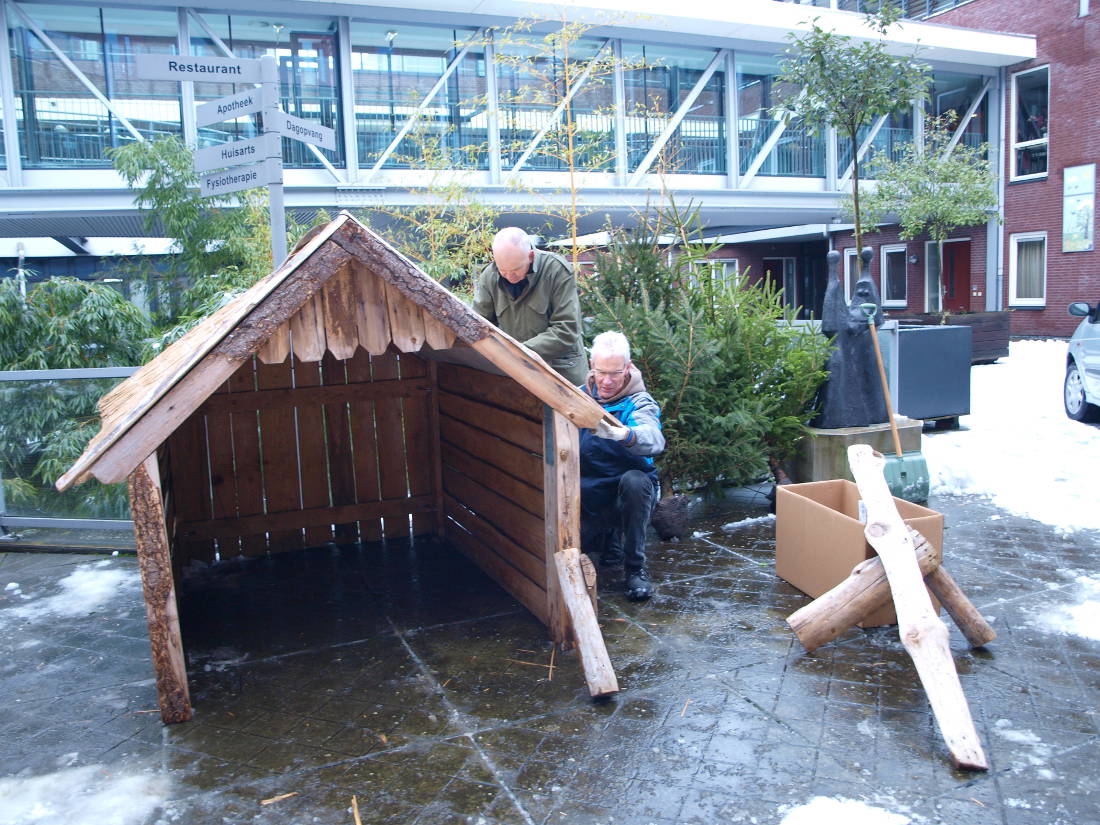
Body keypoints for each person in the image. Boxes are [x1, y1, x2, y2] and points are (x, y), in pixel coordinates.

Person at [579, 331, 665, 601]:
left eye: (615, 373)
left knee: (636, 482)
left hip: (627, 496)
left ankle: (635, 569)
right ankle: (608, 540)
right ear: (592, 365)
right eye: (601, 371)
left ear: (628, 368)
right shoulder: (578, 397)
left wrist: (625, 435)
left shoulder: (638, 402)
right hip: (591, 494)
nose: (607, 381)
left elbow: (654, 438)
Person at [473, 227, 588, 385]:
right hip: (515, 374)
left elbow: (567, 328)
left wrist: (518, 352)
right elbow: (480, 327)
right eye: (503, 271)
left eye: (516, 270)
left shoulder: (555, 270)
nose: (510, 276)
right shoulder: (489, 276)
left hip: (560, 372)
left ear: (531, 256)